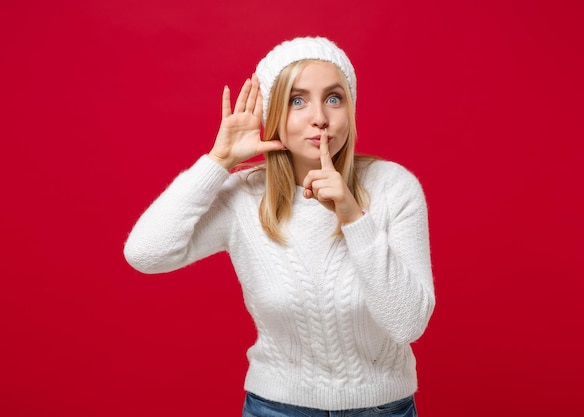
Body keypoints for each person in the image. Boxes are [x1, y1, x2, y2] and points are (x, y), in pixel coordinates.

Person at [124, 36, 435, 417]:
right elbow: (145, 253)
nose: (319, 116)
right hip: (277, 408)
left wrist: (354, 217)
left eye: (334, 98)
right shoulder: (244, 195)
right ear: (272, 114)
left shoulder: (393, 187)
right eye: (297, 100)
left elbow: (408, 324)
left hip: (384, 408)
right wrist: (217, 161)